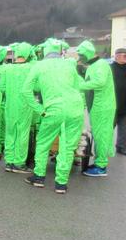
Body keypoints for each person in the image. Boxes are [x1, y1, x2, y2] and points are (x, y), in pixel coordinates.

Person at [21, 39, 84, 194]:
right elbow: (78, 87)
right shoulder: (70, 64)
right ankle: (61, 184)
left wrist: (40, 109)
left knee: (43, 143)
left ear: (45, 52)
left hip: (53, 110)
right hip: (75, 109)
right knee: (68, 147)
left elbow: (25, 91)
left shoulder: (39, 66)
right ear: (59, 51)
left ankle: (39, 177)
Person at [77, 41, 116, 177]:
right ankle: (99, 162)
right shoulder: (92, 66)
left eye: (81, 55)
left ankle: (101, 167)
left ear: (87, 52)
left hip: (103, 107)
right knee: (99, 135)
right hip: (96, 106)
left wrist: (79, 86)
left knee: (102, 135)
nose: (80, 58)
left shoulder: (101, 65)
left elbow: (99, 83)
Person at [0, 42, 33, 173]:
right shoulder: (31, 68)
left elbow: (1, 88)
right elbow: (35, 87)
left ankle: (9, 161)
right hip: (25, 106)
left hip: (9, 106)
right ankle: (19, 163)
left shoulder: (7, 68)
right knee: (22, 134)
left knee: (10, 133)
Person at [112, 47, 126, 155]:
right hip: (112, 104)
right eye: (124, 55)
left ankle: (121, 147)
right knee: (108, 128)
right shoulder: (110, 68)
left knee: (123, 129)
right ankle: (105, 147)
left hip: (124, 104)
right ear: (116, 56)